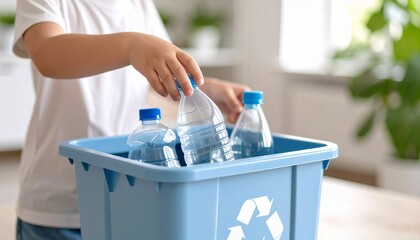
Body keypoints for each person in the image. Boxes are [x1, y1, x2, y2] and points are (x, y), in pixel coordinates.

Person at [12, 0, 250, 239]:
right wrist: (131, 46)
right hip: (58, 208)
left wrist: (206, 90)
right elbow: (47, 54)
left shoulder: (138, 4)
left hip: (126, 197)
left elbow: (163, 74)